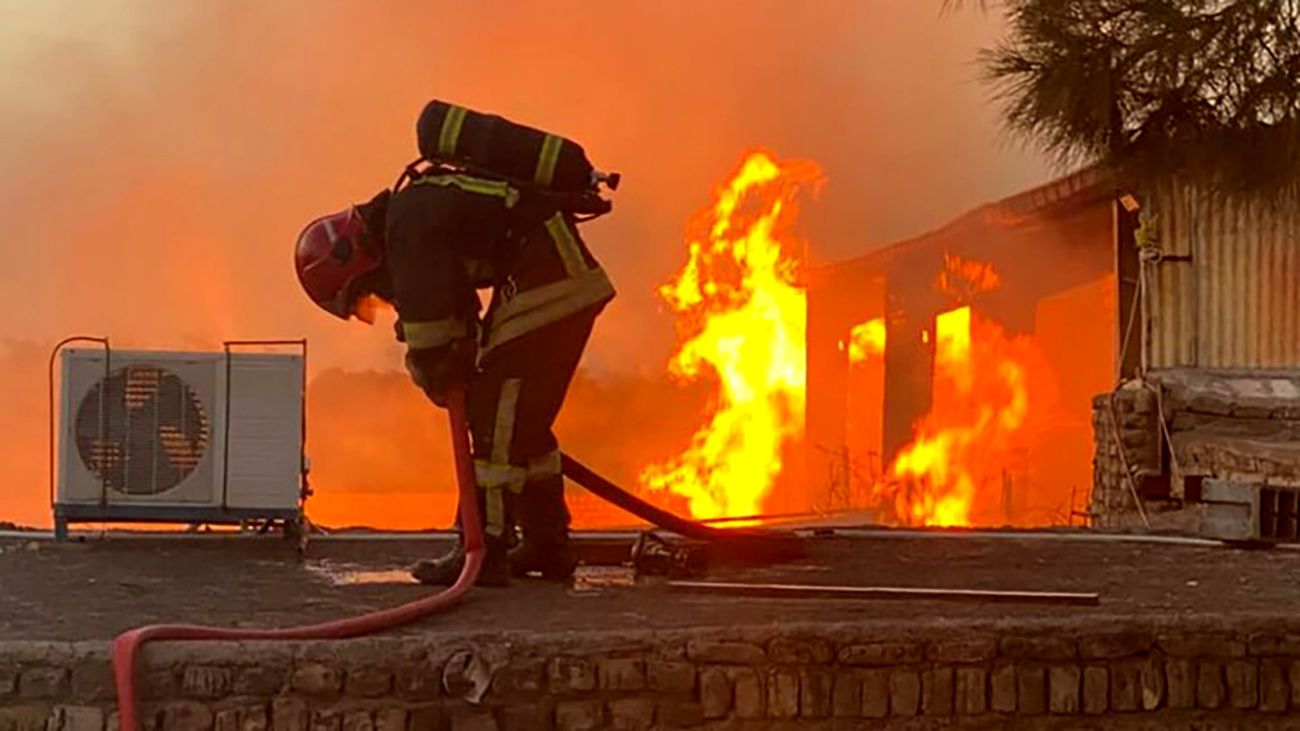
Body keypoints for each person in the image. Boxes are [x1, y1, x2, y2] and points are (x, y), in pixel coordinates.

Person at [293, 151, 615, 587]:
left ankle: (484, 548)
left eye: (364, 292)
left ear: (353, 256)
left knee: (492, 420)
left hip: (549, 283)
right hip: (558, 279)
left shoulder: (405, 231)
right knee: (522, 424)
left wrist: (436, 371)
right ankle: (547, 544)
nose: (379, 298)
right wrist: (452, 359)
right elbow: (451, 307)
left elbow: (431, 332)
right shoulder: (411, 224)